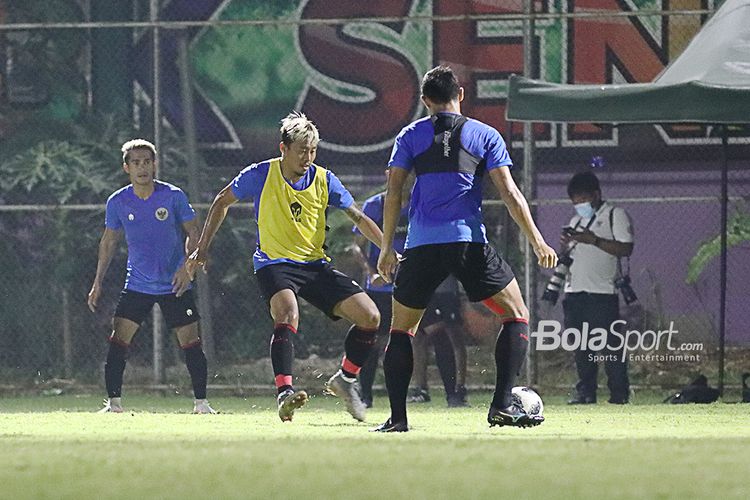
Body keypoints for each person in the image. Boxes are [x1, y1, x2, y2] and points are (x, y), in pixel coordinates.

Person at [376, 65, 558, 432]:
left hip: (422, 245)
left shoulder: (410, 135)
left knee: (402, 331)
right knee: (516, 314)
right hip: (466, 242)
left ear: (426, 101)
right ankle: (501, 404)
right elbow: (509, 192)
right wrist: (537, 239)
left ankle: (397, 420)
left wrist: (385, 247)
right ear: (460, 93)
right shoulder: (484, 134)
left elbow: (394, 191)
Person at [186, 111, 384, 423]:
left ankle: (345, 381)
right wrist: (202, 248)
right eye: (302, 150)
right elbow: (222, 201)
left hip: (314, 265)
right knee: (288, 312)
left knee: (370, 316)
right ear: (284, 148)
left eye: (313, 150)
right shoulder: (261, 174)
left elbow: (358, 217)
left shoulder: (324, 179)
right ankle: (284, 393)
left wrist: (385, 249)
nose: (308, 157)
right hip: (273, 262)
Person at [87, 139, 215, 414]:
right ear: (126, 167)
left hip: (175, 283)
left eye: (147, 161)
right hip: (137, 284)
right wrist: (97, 281)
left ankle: (202, 404)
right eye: (136, 162)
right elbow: (109, 241)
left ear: (155, 164)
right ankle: (114, 405)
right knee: (118, 339)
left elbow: (194, 232)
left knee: (191, 343)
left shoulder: (173, 196)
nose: (142, 167)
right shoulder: (118, 202)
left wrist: (187, 267)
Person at [352, 175, 467, 408]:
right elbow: (356, 245)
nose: (403, 178)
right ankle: (365, 396)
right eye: (396, 172)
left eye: (408, 174)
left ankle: (453, 395)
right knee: (373, 338)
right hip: (382, 286)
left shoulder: (422, 203)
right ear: (388, 175)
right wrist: (370, 272)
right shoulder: (374, 205)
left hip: (415, 283)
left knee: (437, 332)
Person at [561, 171, 633, 405]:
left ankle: (619, 394)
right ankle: (586, 392)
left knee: (610, 347)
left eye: (583, 200)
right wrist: (567, 245)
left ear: (596, 194)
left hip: (602, 294)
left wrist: (595, 240)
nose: (580, 206)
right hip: (575, 292)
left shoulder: (615, 215)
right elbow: (571, 256)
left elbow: (626, 248)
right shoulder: (575, 221)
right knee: (581, 349)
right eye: (576, 202)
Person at [408, 275, 469, 408]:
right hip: (424, 291)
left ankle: (458, 390)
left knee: (451, 337)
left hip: (446, 291)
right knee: (420, 337)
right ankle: (421, 390)